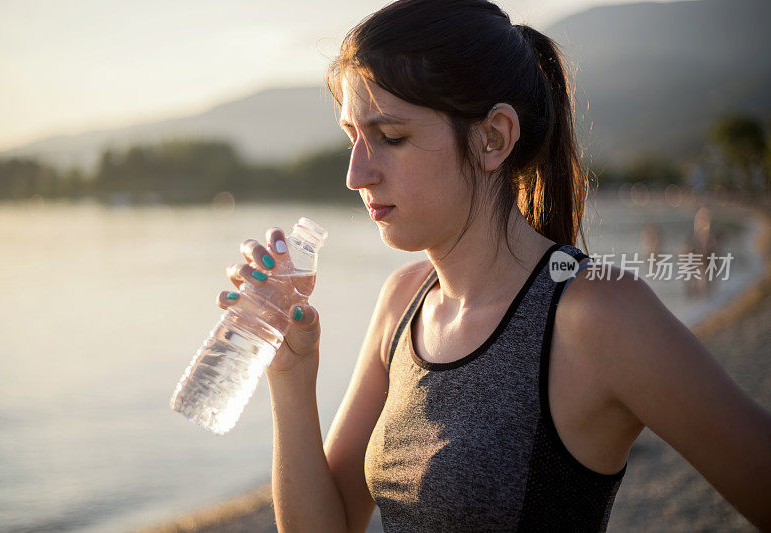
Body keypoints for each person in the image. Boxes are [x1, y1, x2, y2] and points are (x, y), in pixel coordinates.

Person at [217, 1, 771, 530]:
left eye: (391, 137)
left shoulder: (594, 312)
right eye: (352, 139)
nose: (356, 174)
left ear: (492, 137)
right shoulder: (402, 302)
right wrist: (289, 373)